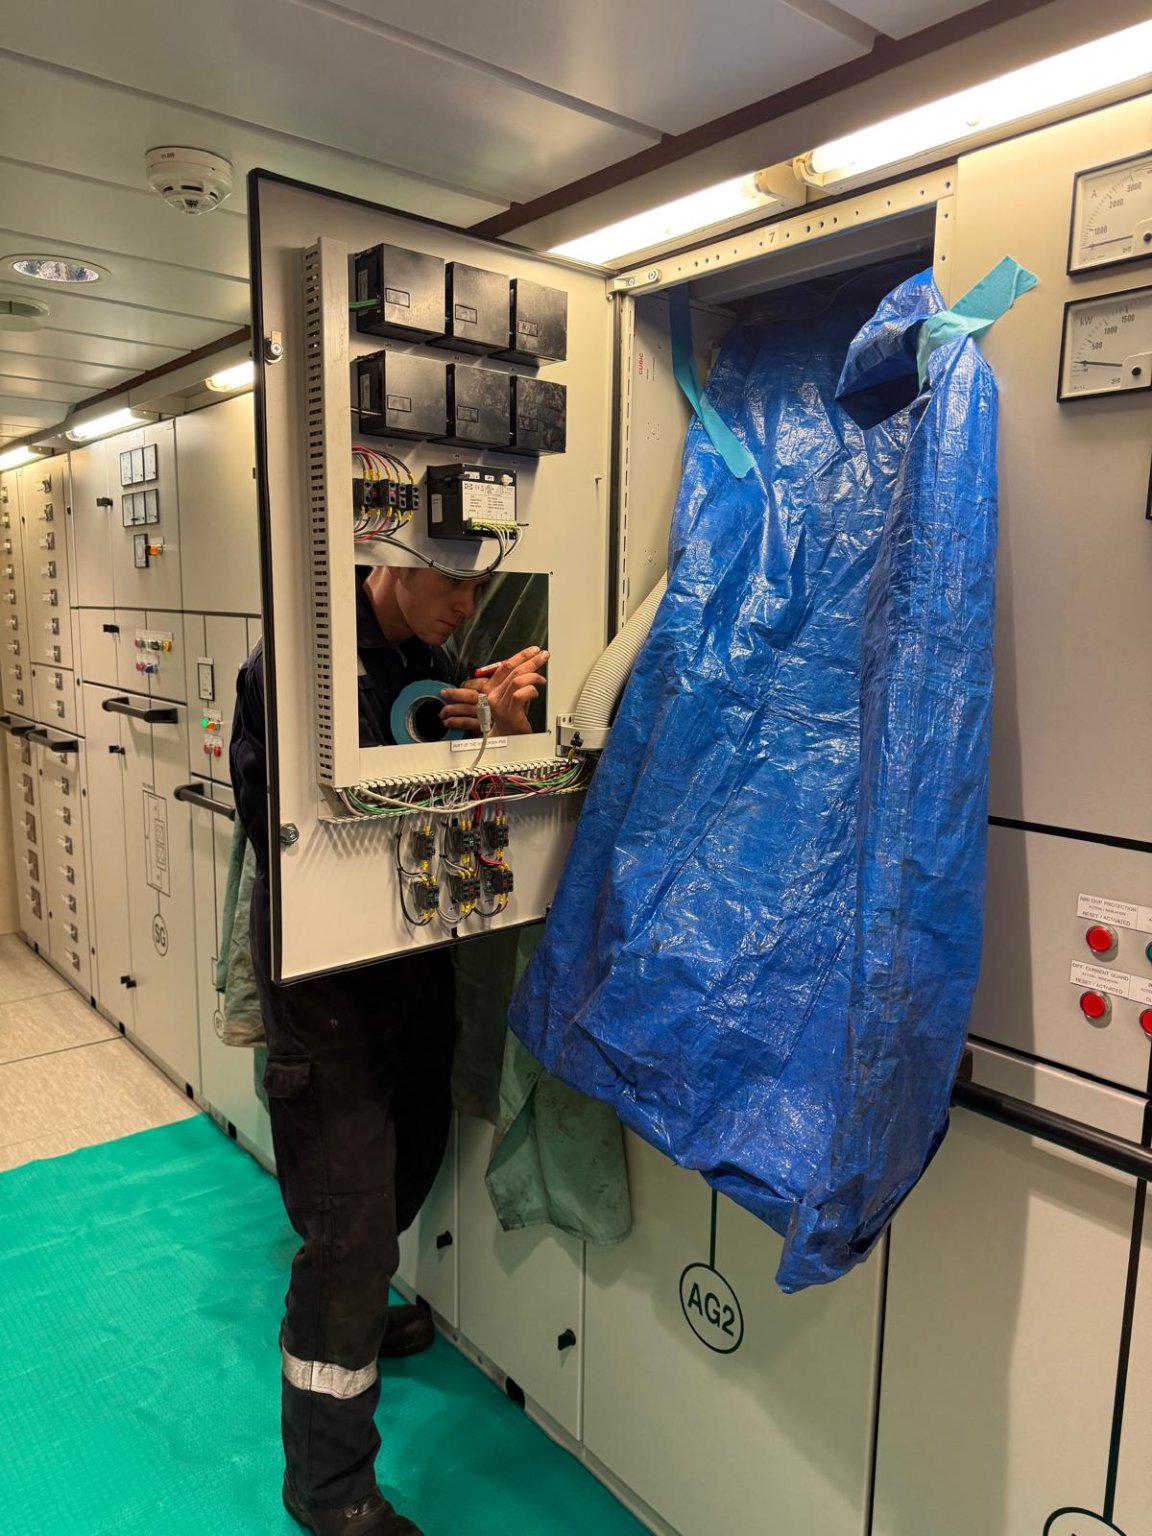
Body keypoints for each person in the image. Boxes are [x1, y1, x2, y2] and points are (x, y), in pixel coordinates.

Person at [230, 564, 547, 1535]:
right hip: (328, 990)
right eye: (452, 584)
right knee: (349, 1228)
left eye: (479, 588)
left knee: (407, 1164)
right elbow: (294, 835)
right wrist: (446, 750)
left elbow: (473, 823)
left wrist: (500, 734)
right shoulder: (295, 671)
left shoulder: (434, 669)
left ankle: (359, 1312)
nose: (466, 607)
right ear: (395, 557)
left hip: (412, 971)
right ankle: (329, 1488)